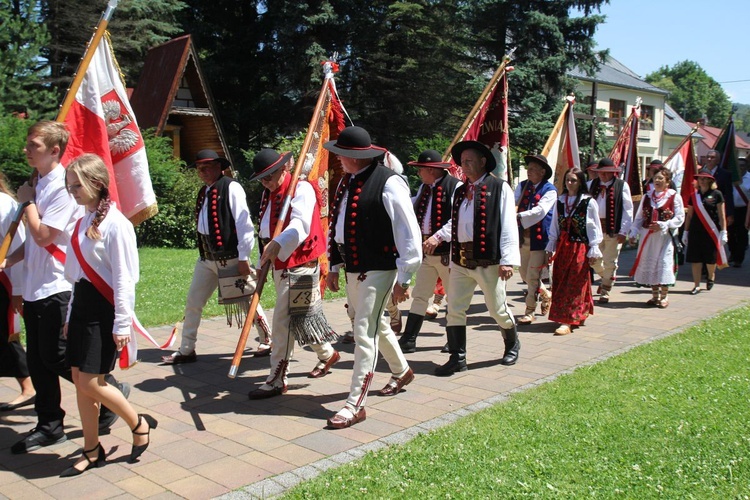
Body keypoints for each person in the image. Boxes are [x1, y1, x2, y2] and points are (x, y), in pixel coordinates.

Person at [4, 121, 128, 455]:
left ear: (54, 150)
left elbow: (45, 236)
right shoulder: (37, 183)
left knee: (56, 355)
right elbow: (32, 243)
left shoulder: (62, 187)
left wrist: (27, 203)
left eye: (34, 145)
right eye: (28, 144)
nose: (27, 149)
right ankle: (49, 425)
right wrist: (7, 260)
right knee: (39, 360)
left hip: (58, 284)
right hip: (34, 285)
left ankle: (107, 388)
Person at [60, 154, 156, 476]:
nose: (72, 191)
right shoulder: (82, 222)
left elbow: (124, 280)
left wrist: (122, 323)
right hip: (82, 309)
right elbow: (77, 278)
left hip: (105, 311)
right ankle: (91, 448)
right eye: (69, 186)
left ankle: (138, 423)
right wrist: (70, 316)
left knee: (91, 381)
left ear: (97, 184)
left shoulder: (118, 225)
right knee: (79, 381)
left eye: (77, 185)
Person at [324, 126, 421, 429]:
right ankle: (402, 370)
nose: (337, 159)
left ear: (355, 156)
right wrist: (335, 265)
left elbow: (409, 236)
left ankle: (355, 404)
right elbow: (339, 224)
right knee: (375, 324)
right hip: (354, 266)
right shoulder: (347, 181)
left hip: (379, 268)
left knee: (363, 330)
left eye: (341, 154)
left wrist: (404, 278)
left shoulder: (389, 183)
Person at [162, 149, 271, 364]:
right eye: (199, 168)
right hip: (206, 259)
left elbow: (244, 224)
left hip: (230, 258)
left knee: (247, 301)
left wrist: (243, 257)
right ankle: (186, 349)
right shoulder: (203, 191)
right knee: (193, 302)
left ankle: (267, 338)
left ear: (220, 167)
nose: (202, 171)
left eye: (207, 167)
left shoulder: (231, 187)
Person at [246, 149, 340, 399]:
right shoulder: (269, 194)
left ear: (283, 169)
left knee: (283, 323)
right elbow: (264, 232)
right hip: (278, 264)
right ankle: (328, 354)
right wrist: (261, 261)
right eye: (261, 178)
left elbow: (300, 224)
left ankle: (277, 378)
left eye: (269, 176)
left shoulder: (302, 189)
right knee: (300, 318)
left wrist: (279, 242)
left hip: (299, 265)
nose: (265, 182)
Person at [436, 140, 520, 376]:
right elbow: (457, 224)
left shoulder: (499, 187)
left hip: (488, 260)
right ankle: (457, 357)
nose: (464, 165)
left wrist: (507, 259)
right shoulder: (460, 190)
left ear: (483, 162)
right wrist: (450, 256)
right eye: (462, 162)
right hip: (461, 259)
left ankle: (512, 343)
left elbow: (508, 224)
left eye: (469, 160)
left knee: (497, 309)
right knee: (454, 308)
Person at [398, 150, 460, 353]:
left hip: (447, 254)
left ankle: (454, 340)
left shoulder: (455, 187)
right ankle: (409, 339)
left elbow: (458, 218)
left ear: (430, 170)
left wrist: (438, 236)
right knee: (420, 295)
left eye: (420, 170)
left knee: (455, 297)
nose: (419, 174)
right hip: (427, 253)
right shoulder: (424, 188)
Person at [545, 168, 603, 335]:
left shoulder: (588, 202)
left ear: (580, 182)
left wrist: (594, 247)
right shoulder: (560, 201)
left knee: (575, 282)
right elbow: (555, 224)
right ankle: (573, 313)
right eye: (568, 180)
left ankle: (568, 320)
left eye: (574, 180)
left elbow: (593, 227)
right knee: (561, 281)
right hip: (563, 247)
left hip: (579, 247)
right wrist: (551, 245)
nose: (570, 183)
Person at [0, 174, 35, 411]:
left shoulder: (4, 205)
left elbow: (17, 246)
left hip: (3, 282)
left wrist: (18, 291)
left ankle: (29, 387)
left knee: (5, 337)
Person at [628, 167, 685, 308]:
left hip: (664, 238)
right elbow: (639, 217)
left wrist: (665, 224)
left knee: (664, 263)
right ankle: (655, 296)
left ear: (668, 182)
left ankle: (664, 297)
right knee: (651, 264)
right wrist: (634, 232)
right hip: (648, 237)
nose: (657, 181)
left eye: (661, 178)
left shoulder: (674, 196)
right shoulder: (647, 196)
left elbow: (680, 217)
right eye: (655, 178)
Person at [515, 154, 556, 324]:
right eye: (528, 168)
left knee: (532, 276)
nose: (528, 171)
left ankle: (529, 311)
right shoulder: (522, 186)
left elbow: (540, 211)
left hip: (539, 240)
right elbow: (514, 201)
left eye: (532, 169)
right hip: (523, 238)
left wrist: (517, 216)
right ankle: (546, 294)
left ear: (542, 171)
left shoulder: (550, 190)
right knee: (524, 274)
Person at [589, 158, 634, 304]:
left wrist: (624, 230)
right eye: (600, 172)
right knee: (593, 260)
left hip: (613, 229)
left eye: (606, 173)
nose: (602, 175)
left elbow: (628, 210)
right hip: (595, 230)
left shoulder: (622, 186)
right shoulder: (591, 185)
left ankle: (605, 289)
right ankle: (605, 278)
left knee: (610, 261)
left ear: (612, 172)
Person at [683, 168, 728, 294]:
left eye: (704, 178)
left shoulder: (717, 194)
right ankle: (696, 285)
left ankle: (710, 276)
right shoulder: (694, 196)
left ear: (710, 180)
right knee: (695, 259)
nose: (701, 180)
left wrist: (724, 231)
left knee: (710, 258)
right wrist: (685, 232)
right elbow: (690, 215)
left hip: (711, 231)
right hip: (695, 231)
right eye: (699, 178)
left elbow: (721, 214)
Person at [728, 159, 750, 267]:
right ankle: (732, 252)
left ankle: (738, 259)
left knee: (742, 234)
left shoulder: (749, 178)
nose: (740, 168)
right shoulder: (731, 177)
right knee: (730, 233)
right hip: (732, 209)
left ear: (746, 167)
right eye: (738, 166)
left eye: (742, 166)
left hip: (744, 210)